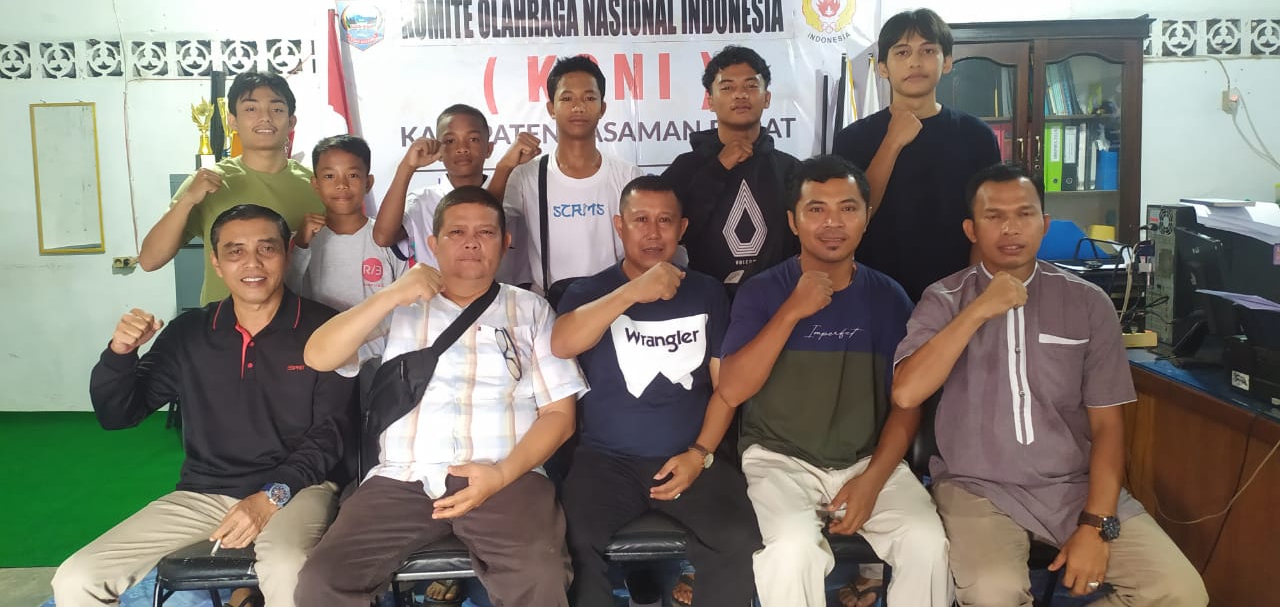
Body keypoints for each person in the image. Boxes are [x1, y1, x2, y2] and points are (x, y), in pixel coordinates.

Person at [890, 163, 1208, 607]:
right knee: (994, 592)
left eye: (1024, 214)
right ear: (971, 229)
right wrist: (978, 310)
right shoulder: (943, 298)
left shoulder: (1088, 303)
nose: (1010, 228)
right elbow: (906, 392)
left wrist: (1096, 525)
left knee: (1179, 591)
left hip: (1072, 486)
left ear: (1045, 224)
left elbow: (1107, 428)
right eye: (994, 216)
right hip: (976, 488)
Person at [296, 186, 589, 607]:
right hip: (404, 478)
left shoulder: (532, 310)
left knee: (539, 574)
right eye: (456, 232)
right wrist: (389, 295)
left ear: (505, 243)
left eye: (485, 232)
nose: (471, 242)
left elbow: (559, 415)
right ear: (433, 244)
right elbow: (318, 356)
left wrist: (501, 475)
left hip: (505, 476)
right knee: (322, 581)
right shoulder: (401, 305)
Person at [52, 204, 356, 607]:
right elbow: (118, 414)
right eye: (235, 251)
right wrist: (120, 354)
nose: (252, 263)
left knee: (288, 568)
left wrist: (269, 498)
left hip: (299, 489)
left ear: (287, 252)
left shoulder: (327, 327)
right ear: (216, 262)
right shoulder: (189, 333)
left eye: (266, 248)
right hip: (205, 493)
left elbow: (330, 435)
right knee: (77, 579)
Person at [717, 155, 951, 607]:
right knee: (792, 551)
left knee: (926, 543)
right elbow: (732, 390)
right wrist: (791, 311)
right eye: (816, 209)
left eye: (847, 208)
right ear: (793, 221)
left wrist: (872, 481)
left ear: (866, 217)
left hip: (867, 460)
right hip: (779, 459)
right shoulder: (762, 291)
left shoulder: (889, 297)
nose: (832, 223)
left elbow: (907, 404)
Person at [551, 175, 760, 607]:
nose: (652, 232)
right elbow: (562, 343)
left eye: (664, 221)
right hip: (605, 462)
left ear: (682, 229)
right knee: (571, 542)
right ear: (619, 226)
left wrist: (699, 454)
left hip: (689, 457)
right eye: (640, 220)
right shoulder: (587, 292)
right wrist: (632, 292)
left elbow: (725, 390)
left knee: (739, 536)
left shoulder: (707, 292)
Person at [832, 8, 1000, 302]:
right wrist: (892, 142)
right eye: (902, 52)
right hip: (874, 294)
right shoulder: (852, 139)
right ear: (882, 68)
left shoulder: (976, 136)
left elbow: (988, 220)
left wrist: (972, 291)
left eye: (928, 50)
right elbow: (851, 216)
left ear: (947, 62)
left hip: (954, 294)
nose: (915, 61)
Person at [139, 71, 324, 304]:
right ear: (232, 121)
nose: (265, 117)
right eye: (251, 109)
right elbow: (149, 260)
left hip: (300, 321)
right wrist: (187, 200)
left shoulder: (317, 186)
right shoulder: (209, 182)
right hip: (222, 323)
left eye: (277, 109)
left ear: (291, 121)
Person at [662, 45, 799, 296]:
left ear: (767, 98)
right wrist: (717, 169)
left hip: (779, 301)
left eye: (751, 86)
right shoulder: (685, 167)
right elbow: (670, 234)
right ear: (710, 101)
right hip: (708, 301)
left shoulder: (790, 169)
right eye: (727, 87)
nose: (740, 95)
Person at [503, 55, 644, 298]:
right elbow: (484, 223)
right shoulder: (527, 176)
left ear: (602, 108)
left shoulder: (627, 176)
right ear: (551, 109)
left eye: (589, 98)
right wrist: (503, 167)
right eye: (567, 98)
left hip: (615, 303)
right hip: (550, 307)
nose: (578, 107)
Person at [287, 134, 406, 396]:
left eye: (352, 175)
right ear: (315, 184)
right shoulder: (304, 240)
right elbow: (287, 295)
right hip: (323, 360)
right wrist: (301, 246)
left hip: (380, 360)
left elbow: (405, 303)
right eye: (330, 176)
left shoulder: (386, 238)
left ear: (368, 182)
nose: (341, 185)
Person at [372, 103, 540, 277]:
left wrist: (503, 169)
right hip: (436, 294)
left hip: (502, 294)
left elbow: (485, 214)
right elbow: (383, 237)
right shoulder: (422, 201)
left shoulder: (511, 194)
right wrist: (406, 167)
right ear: (439, 150)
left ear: (489, 149)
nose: (462, 148)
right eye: (450, 141)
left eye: (473, 139)